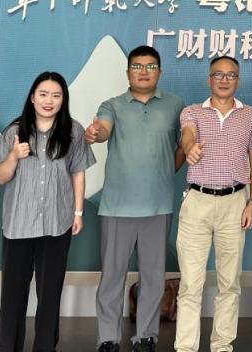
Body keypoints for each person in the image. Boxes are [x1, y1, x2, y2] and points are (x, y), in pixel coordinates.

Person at [85, 45, 185, 352]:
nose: (144, 72)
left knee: (153, 276)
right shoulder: (112, 105)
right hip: (117, 205)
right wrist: (96, 133)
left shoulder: (175, 105)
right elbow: (103, 130)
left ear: (160, 72)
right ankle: (107, 338)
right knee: (112, 276)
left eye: (150, 66)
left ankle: (146, 336)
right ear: (128, 72)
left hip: (158, 204)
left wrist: (165, 171)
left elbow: (184, 145)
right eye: (137, 67)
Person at [0, 71, 95, 352]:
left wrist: (78, 212)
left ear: (63, 100)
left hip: (57, 223)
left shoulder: (73, 131)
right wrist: (13, 156)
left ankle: (46, 347)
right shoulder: (14, 132)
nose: (49, 101)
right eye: (43, 94)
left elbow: (78, 173)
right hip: (18, 225)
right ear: (32, 97)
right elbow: (0, 177)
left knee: (49, 294)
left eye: (56, 95)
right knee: (13, 295)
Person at [175, 55, 252, 352]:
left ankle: (222, 345)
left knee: (229, 283)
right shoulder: (192, 111)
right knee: (190, 283)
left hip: (235, 203)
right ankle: (185, 347)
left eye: (231, 75)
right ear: (209, 79)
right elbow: (188, 134)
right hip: (197, 202)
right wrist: (190, 147)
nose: (224, 80)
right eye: (218, 74)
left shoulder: (250, 115)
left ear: (238, 80)